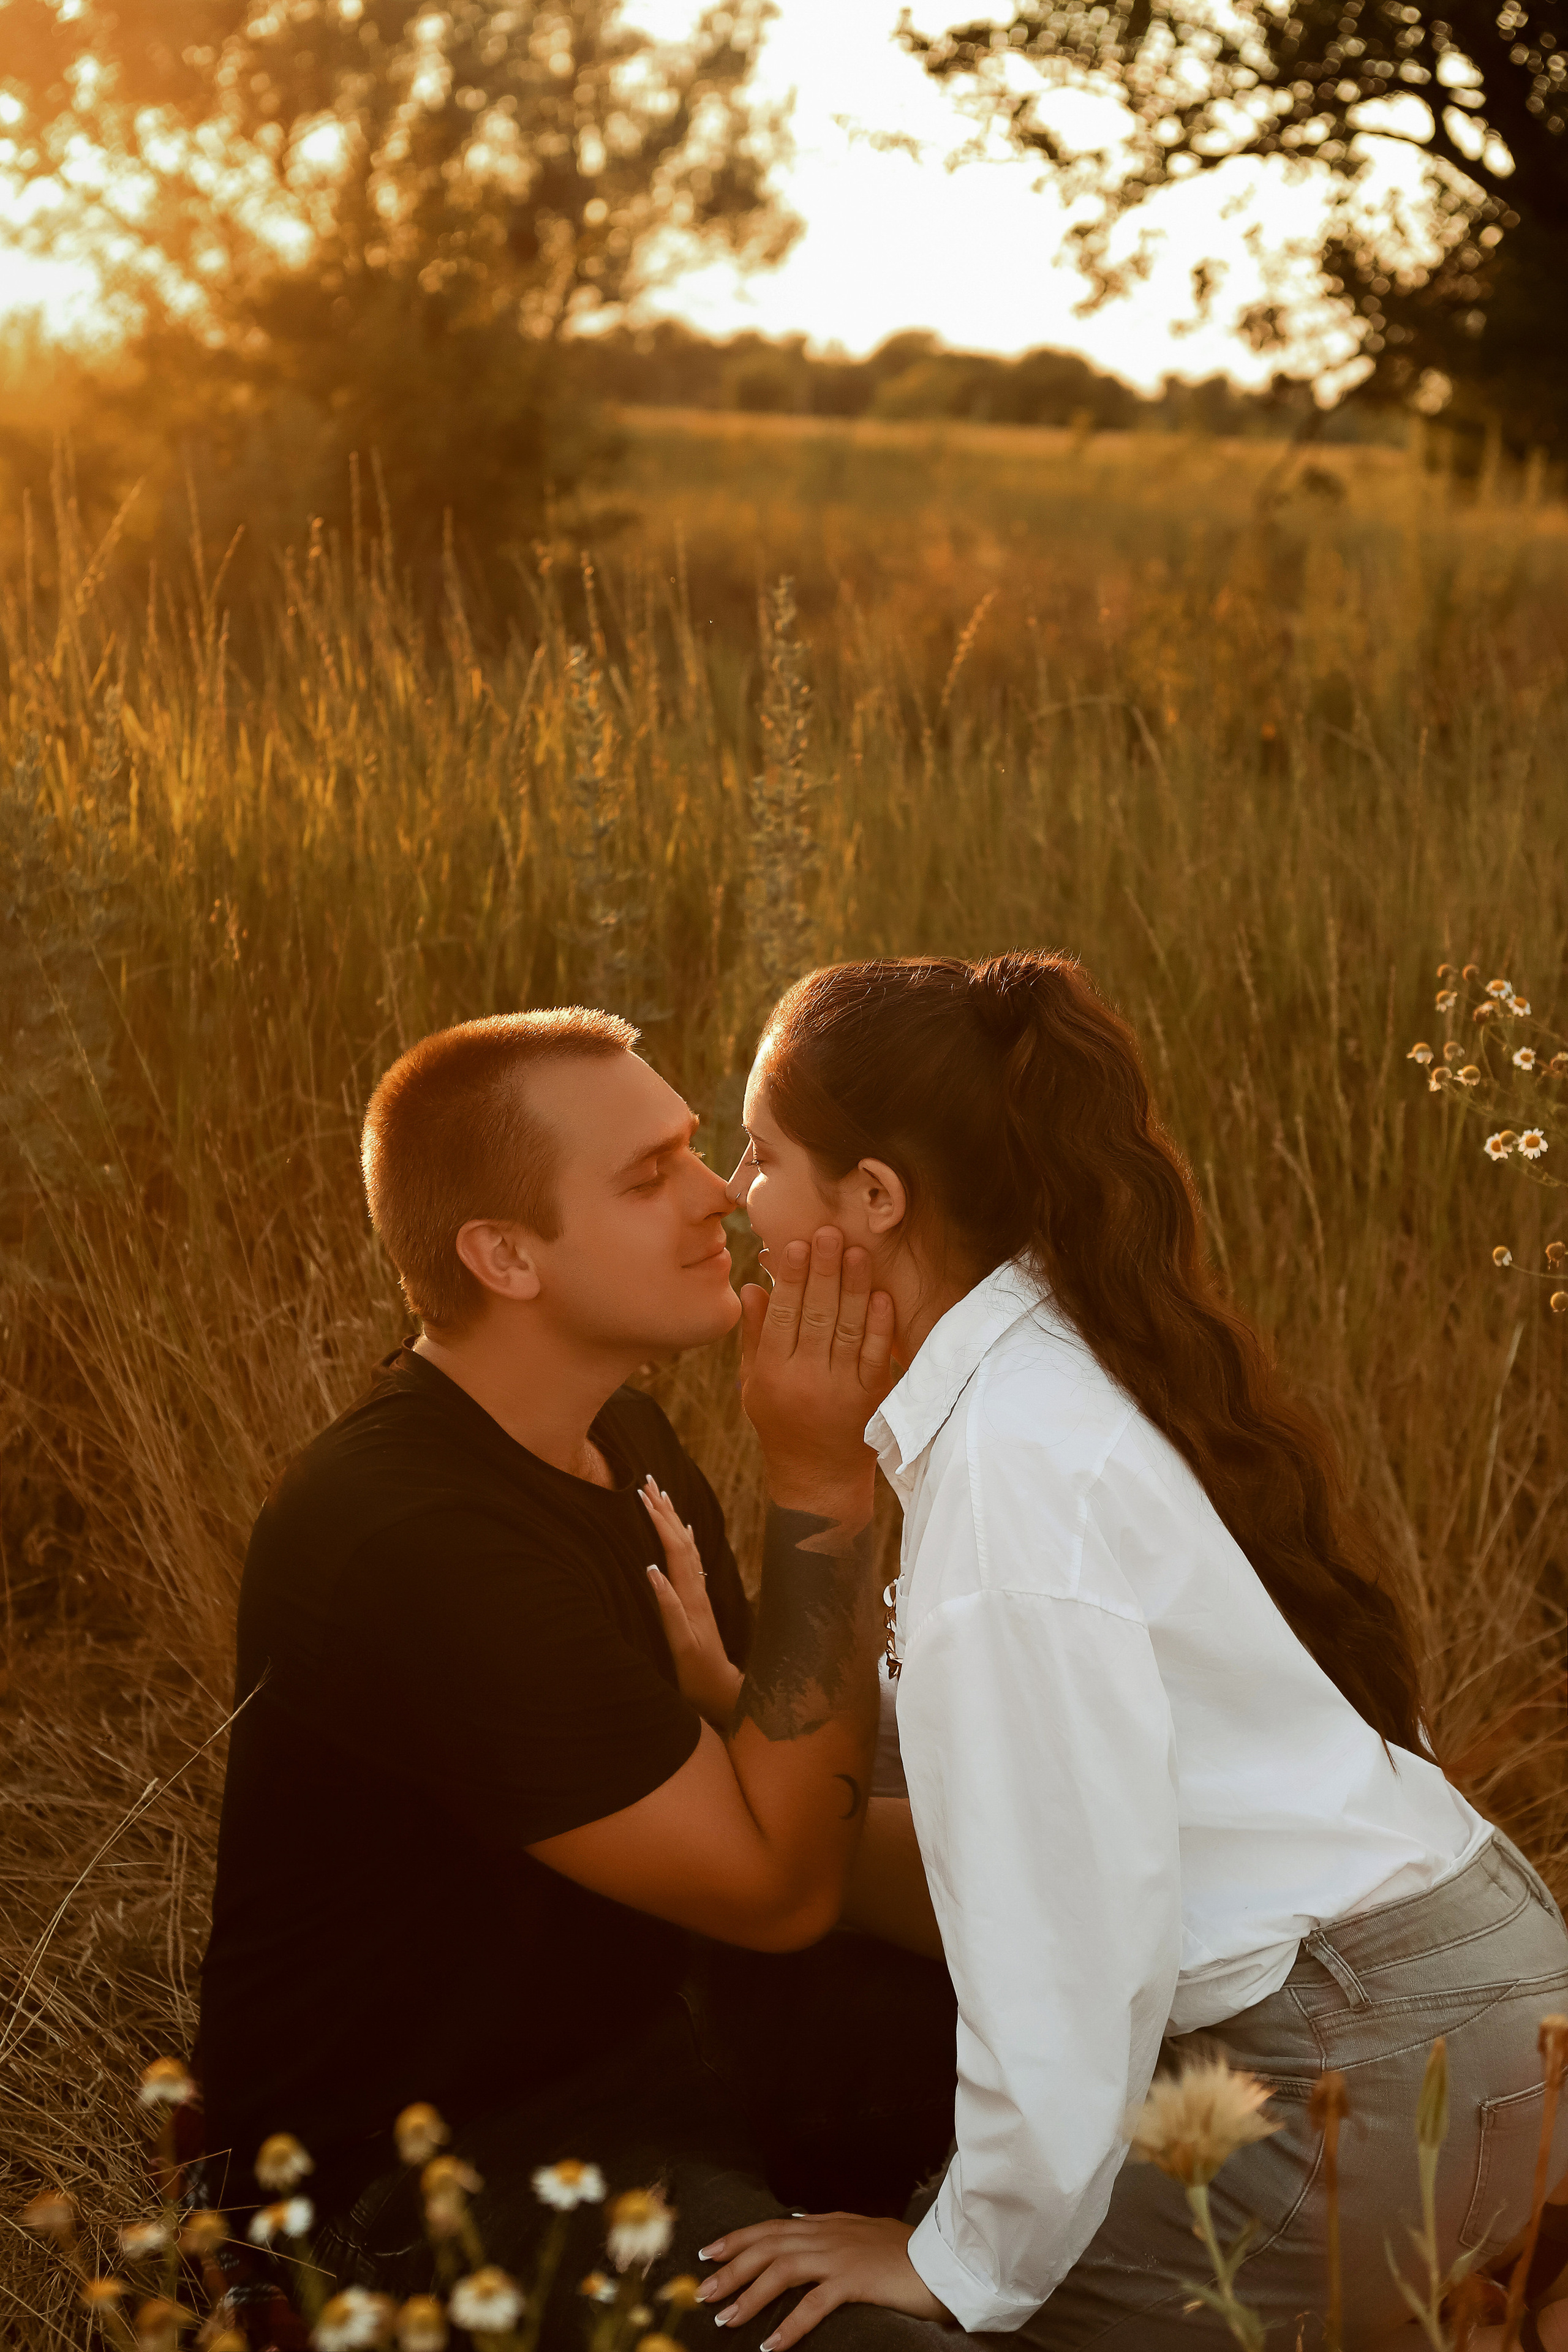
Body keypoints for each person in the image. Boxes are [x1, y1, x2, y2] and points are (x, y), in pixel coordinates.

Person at [687, 951, 1568, 2349]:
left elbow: (1068, 1929)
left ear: (871, 1201)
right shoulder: (1066, 1359)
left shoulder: (1011, 1473)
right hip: (1483, 2011)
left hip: (1357, 2073)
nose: (737, 1191)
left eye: (762, 1152)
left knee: (908, 2322)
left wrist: (955, 2257)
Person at [194, 1006, 951, 2345]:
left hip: (667, 2032)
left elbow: (780, 1800)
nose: (718, 1194)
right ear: (503, 1256)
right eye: (648, 1174)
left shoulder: (621, 1432)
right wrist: (824, 1479)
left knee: (1153, 2095)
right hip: (436, 2162)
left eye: (695, 1153)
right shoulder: (410, 1535)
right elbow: (776, 1885)